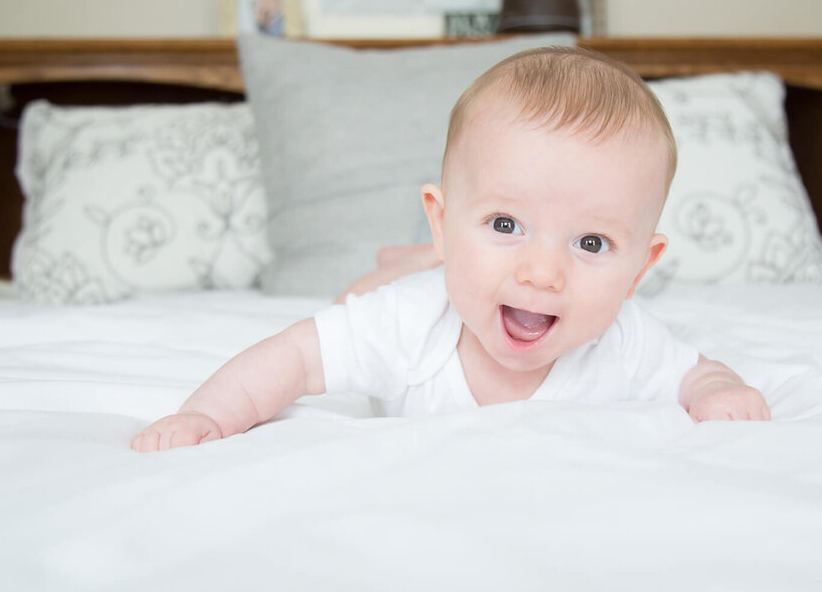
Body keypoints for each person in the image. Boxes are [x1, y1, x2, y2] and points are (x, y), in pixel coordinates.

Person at [131, 46, 770, 453]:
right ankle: (415, 262)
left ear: (639, 270)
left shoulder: (625, 339)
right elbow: (294, 358)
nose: (542, 272)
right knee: (359, 298)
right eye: (505, 224)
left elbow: (697, 372)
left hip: (453, 264)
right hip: (415, 287)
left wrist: (721, 392)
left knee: (471, 274)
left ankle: (446, 253)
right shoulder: (409, 325)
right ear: (440, 217)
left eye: (592, 242)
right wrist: (208, 418)